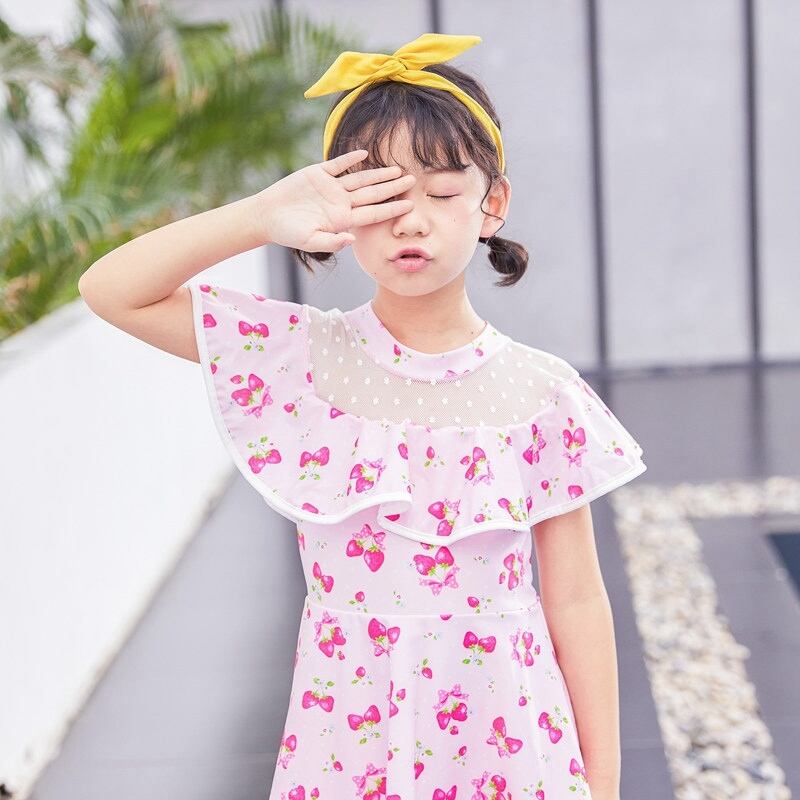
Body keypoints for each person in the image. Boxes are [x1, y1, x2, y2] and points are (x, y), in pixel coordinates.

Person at [79, 32, 646, 800]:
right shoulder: (302, 359)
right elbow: (112, 290)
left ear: (492, 204)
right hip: (349, 745)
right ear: (341, 208)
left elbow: (576, 598)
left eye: (441, 194)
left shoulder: (541, 394)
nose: (411, 222)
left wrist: (603, 784)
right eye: (382, 197)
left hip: (507, 748)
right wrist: (261, 214)